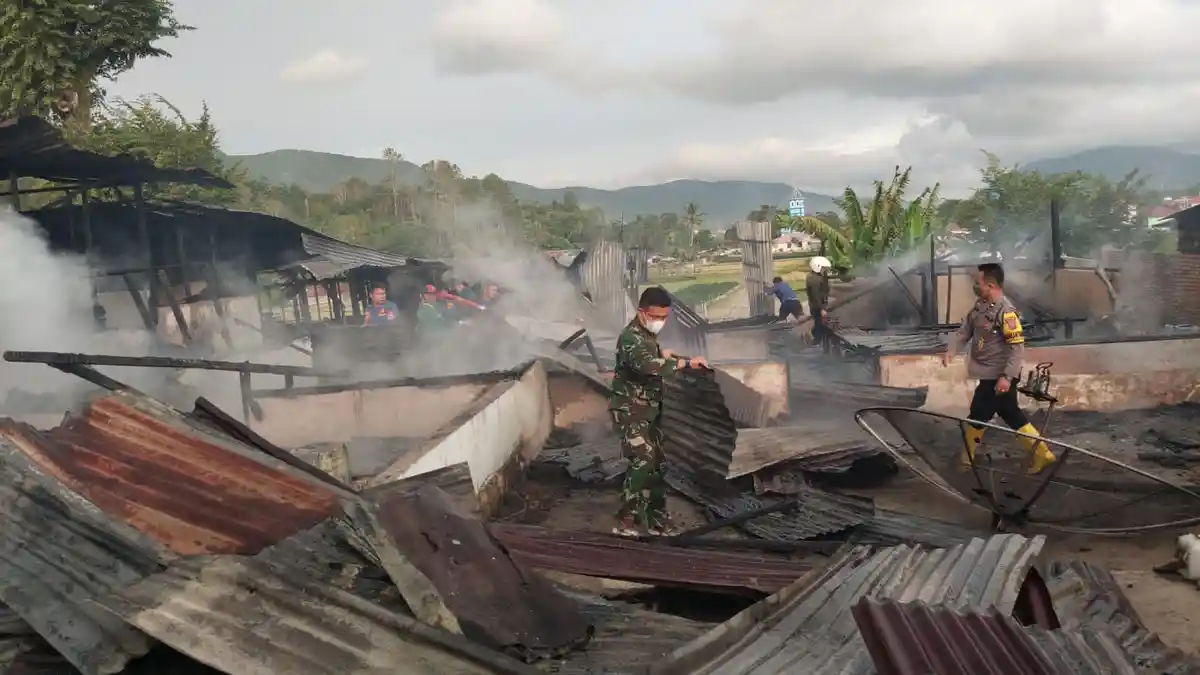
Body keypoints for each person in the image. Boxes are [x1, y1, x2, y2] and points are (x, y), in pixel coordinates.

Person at [609, 286, 708, 537]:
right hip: (631, 410)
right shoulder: (630, 336)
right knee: (643, 460)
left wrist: (666, 353)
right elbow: (646, 365)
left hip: (649, 410)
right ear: (642, 312)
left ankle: (656, 521)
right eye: (656, 317)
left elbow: (652, 355)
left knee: (657, 464)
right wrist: (684, 363)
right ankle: (625, 521)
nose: (660, 322)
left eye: (664, 318)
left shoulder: (646, 336)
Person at [942, 263, 1057, 474]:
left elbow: (1016, 348)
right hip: (988, 374)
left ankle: (965, 459)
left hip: (998, 377)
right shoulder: (980, 306)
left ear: (990, 284)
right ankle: (1042, 453)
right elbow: (965, 329)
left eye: (978, 282)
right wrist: (952, 349)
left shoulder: (1006, 312)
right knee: (1011, 414)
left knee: (978, 414)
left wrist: (1007, 377)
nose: (975, 286)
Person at [806, 256, 833, 345]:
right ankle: (816, 341)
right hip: (817, 306)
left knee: (820, 323)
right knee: (819, 324)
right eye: (823, 268)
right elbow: (816, 295)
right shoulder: (814, 280)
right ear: (817, 267)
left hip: (818, 305)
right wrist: (822, 309)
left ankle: (816, 338)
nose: (825, 270)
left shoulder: (816, 277)